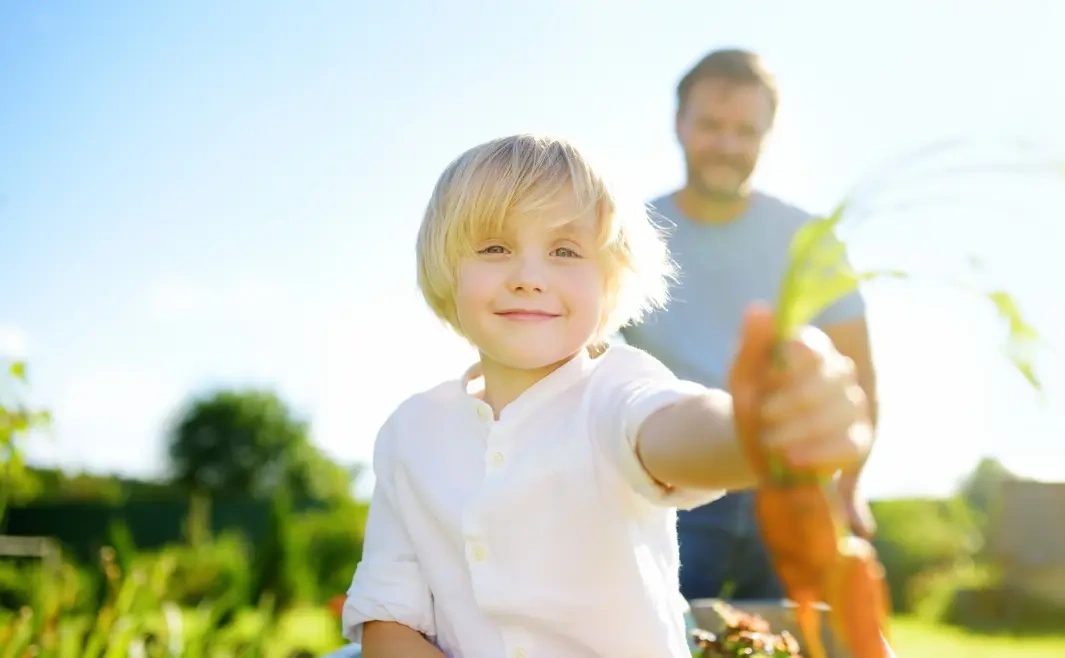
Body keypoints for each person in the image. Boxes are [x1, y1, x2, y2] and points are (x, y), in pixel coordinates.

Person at [342, 133, 874, 657]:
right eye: (495, 248)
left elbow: (674, 429)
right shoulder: (410, 433)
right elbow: (388, 621)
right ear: (446, 267)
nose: (529, 277)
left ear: (609, 281)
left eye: (565, 250)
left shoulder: (615, 388)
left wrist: (756, 429)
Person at [622, 48, 880, 602]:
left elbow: (856, 373)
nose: (727, 145)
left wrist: (850, 486)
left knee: (801, 630)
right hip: (674, 482)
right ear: (679, 124)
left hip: (790, 482)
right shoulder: (629, 237)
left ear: (767, 136)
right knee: (665, 630)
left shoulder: (807, 238)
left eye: (745, 131)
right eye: (711, 126)